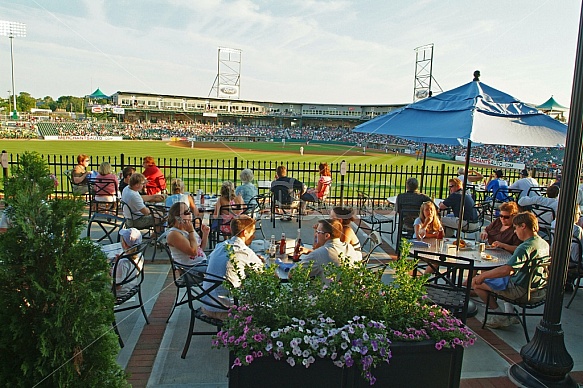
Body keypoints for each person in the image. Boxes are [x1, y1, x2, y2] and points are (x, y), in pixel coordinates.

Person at [472, 212, 550, 328]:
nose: (514, 231)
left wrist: (482, 276)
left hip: (522, 291)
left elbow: (507, 270)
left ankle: (500, 316)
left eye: (516, 228)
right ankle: (510, 314)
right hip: (538, 290)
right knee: (500, 278)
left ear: (523, 226)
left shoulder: (525, 247)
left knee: (476, 283)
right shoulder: (543, 243)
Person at [201, 215, 263, 320]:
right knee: (264, 303)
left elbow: (209, 265)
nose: (254, 236)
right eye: (253, 232)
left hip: (207, 304)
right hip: (225, 309)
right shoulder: (244, 252)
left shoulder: (220, 246)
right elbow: (265, 274)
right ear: (245, 233)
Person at [293, 219, 362, 279]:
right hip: (349, 291)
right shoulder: (349, 247)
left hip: (324, 292)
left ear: (326, 236)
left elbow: (293, 274)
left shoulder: (319, 253)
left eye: (318, 232)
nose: (316, 234)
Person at [166, 202, 209, 266]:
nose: (190, 214)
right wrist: (191, 232)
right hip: (191, 268)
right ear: (177, 217)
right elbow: (193, 252)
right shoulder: (174, 234)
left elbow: (200, 250)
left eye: (190, 211)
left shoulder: (187, 228)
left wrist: (205, 234)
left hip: (202, 263)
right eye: (186, 212)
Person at [112, 228, 144, 296]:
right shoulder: (140, 255)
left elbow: (117, 286)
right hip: (131, 285)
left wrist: (106, 275)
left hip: (120, 292)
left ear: (125, 244)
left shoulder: (123, 262)